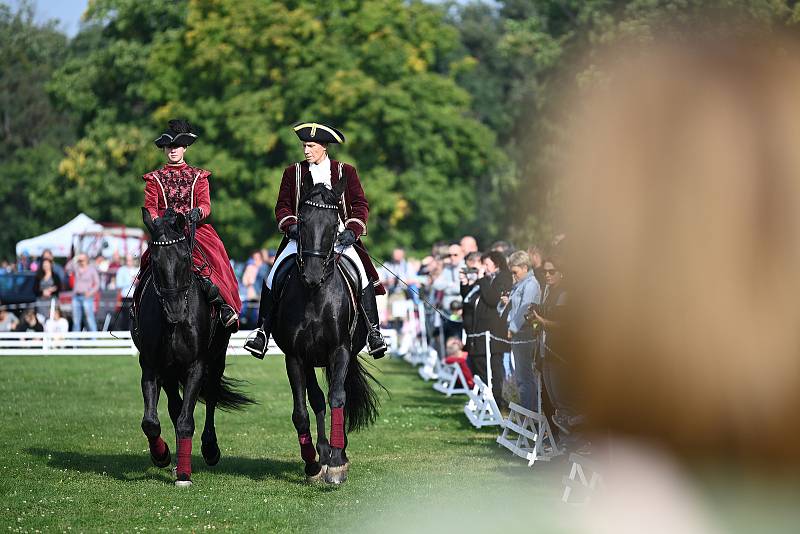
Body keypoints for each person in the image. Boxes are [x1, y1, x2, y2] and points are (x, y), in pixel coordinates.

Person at [244, 122, 388, 358]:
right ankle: (262, 332)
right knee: (272, 277)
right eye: (304, 146)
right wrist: (290, 226)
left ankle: (374, 332)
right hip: (302, 238)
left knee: (363, 275)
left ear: (324, 146)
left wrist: (353, 229)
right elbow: (282, 206)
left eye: (310, 146)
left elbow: (360, 205)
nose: (306, 151)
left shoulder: (346, 171)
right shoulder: (293, 172)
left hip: (340, 238)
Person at [137, 119, 242, 330]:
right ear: (164, 149)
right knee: (149, 266)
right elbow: (150, 207)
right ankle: (138, 309)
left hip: (194, 230)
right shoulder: (154, 179)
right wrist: (159, 224)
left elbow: (206, 205)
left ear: (185, 148)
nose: (173, 150)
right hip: (165, 233)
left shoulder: (199, 177)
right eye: (169, 147)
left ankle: (224, 307)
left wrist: (198, 212)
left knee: (215, 262)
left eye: (177, 146)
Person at [526, 257, 569, 431]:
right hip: (545, 351)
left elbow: (562, 324)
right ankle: (556, 441)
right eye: (545, 272)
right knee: (549, 399)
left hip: (559, 352)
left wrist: (541, 320)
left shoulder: (565, 293)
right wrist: (534, 318)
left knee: (562, 401)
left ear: (561, 273)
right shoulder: (548, 291)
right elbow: (542, 321)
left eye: (552, 272)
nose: (547, 275)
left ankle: (570, 444)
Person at [464, 250, 512, 404]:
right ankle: (486, 399)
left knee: (494, 368)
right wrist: (465, 283)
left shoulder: (503, 277)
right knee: (480, 366)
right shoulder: (487, 279)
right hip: (480, 333)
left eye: (486, 264)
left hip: (494, 332)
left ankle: (496, 400)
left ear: (496, 264)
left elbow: (492, 299)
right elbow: (468, 298)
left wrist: (481, 279)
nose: (484, 267)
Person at [498, 251, 541, 412]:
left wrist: (512, 328)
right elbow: (516, 306)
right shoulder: (521, 283)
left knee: (525, 376)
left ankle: (529, 413)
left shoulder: (530, 284)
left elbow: (525, 308)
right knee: (522, 375)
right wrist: (506, 302)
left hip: (525, 332)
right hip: (519, 332)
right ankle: (527, 412)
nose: (513, 276)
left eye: (515, 272)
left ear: (524, 267)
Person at [68, 253, 99, 332]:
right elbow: (67, 267)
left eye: (82, 259)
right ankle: (75, 343)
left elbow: (97, 284)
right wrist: (75, 259)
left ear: (87, 260)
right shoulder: (76, 268)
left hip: (87, 297)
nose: (81, 261)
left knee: (89, 319)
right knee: (76, 320)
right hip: (76, 297)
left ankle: (94, 340)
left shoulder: (92, 269)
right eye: (80, 259)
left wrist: (90, 292)